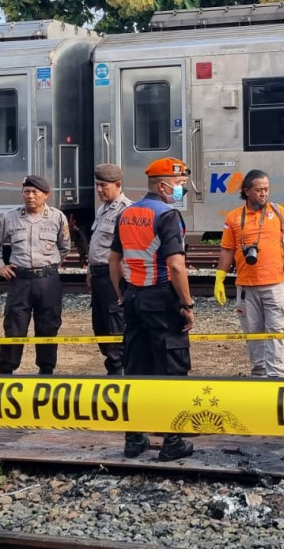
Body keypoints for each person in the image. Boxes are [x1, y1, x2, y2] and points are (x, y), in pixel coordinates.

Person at [109, 157, 197, 461]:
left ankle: (134, 439)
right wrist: (186, 303)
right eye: (180, 185)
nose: (183, 190)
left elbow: (113, 260)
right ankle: (172, 441)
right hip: (161, 299)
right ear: (163, 186)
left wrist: (123, 292)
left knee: (135, 368)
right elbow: (176, 265)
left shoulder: (127, 213)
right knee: (171, 368)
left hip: (133, 299)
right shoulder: (168, 215)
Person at [214, 170, 284, 377]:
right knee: (253, 335)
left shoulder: (279, 212)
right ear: (247, 191)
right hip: (246, 287)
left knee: (277, 334)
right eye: (259, 190)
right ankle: (259, 375)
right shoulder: (234, 217)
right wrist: (220, 277)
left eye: (266, 189)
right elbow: (227, 249)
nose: (264, 193)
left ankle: (277, 376)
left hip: (275, 285)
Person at [0, 175, 71, 376]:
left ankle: (46, 370)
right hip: (20, 281)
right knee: (14, 327)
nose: (30, 196)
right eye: (26, 192)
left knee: (48, 326)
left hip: (48, 282)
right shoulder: (11, 217)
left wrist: (49, 266)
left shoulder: (57, 217)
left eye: (35, 192)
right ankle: (6, 371)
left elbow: (64, 246)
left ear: (45, 195)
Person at [87, 163, 131, 375]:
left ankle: (118, 370)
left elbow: (126, 252)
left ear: (118, 185)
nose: (99, 190)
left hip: (113, 277)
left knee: (116, 325)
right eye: (97, 185)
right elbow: (98, 243)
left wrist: (121, 283)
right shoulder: (102, 209)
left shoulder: (127, 210)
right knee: (100, 326)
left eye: (103, 185)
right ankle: (113, 365)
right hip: (98, 278)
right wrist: (89, 270)